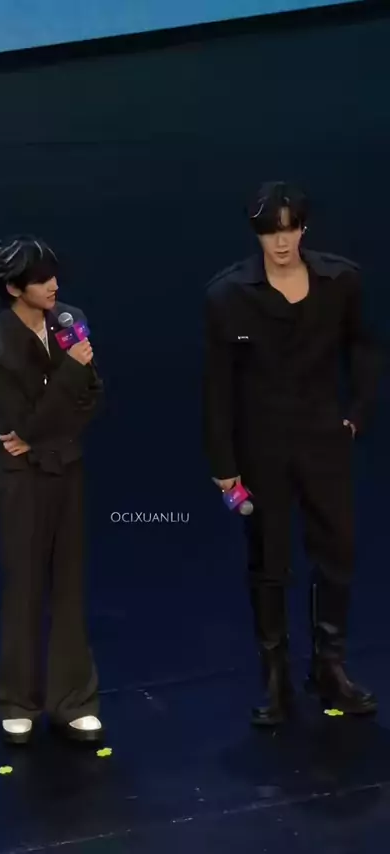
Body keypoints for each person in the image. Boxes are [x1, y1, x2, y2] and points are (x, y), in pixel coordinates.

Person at [203, 182, 381, 726]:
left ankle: (329, 667)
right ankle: (276, 679)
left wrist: (356, 415)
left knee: (337, 551)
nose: (281, 243)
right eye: (269, 232)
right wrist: (224, 466)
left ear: (304, 228)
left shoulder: (341, 281)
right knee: (269, 560)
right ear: (255, 233)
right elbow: (217, 387)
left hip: (323, 439)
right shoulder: (228, 295)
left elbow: (365, 347)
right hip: (261, 448)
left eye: (289, 229)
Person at [0, 235, 104, 744]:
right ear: (15, 289)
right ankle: (18, 701)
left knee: (70, 585)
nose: (53, 286)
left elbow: (92, 396)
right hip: (23, 481)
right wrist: (69, 373)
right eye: (40, 280)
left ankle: (74, 700)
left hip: (67, 469)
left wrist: (41, 430)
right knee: (25, 588)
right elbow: (21, 425)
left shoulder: (71, 319)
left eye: (53, 275)